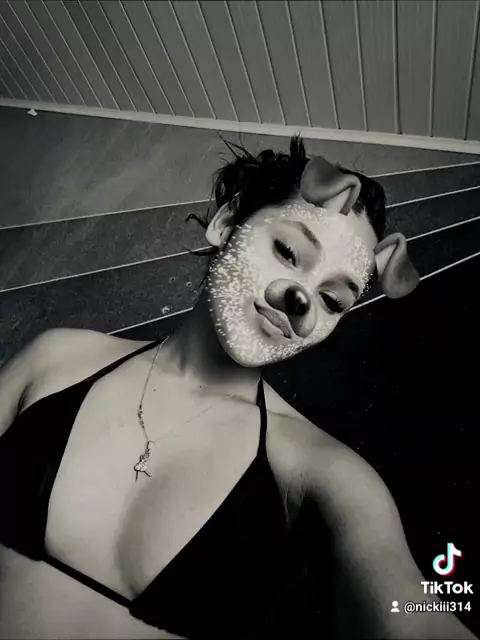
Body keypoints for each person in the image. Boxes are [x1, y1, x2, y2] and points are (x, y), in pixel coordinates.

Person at [0, 136, 476, 640]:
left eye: (333, 300)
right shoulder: (57, 359)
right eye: (288, 251)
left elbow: (412, 617)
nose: (301, 299)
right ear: (226, 223)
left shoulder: (322, 471)